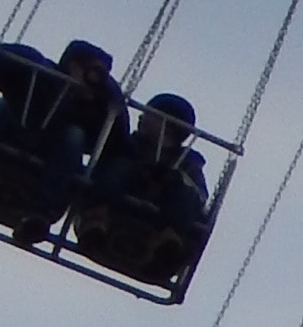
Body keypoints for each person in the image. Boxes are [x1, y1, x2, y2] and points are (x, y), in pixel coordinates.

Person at [0, 34, 124, 241]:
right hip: (12, 132)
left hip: (53, 155)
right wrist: (20, 59)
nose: (96, 80)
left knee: (74, 135)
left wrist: (111, 96)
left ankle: (39, 215)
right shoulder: (38, 72)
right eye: (93, 72)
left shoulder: (96, 104)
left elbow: (119, 143)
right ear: (74, 65)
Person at [69, 90, 217, 291]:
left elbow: (199, 196)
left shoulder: (188, 161)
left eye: (149, 114)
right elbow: (103, 169)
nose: (141, 118)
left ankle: (168, 241)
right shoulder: (128, 145)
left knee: (185, 193)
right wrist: (140, 171)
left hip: (158, 214)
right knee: (118, 166)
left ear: (168, 124)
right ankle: (96, 219)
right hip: (121, 205)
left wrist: (173, 178)